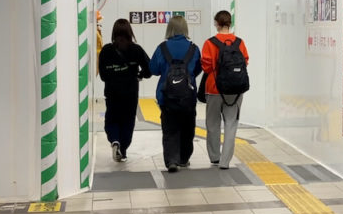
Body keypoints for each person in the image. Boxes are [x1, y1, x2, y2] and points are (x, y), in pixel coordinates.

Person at [150, 16, 202, 172]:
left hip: (167, 96)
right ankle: (184, 159)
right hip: (188, 95)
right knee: (187, 127)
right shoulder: (193, 48)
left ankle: (172, 160)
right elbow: (198, 68)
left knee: (170, 129)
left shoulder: (162, 48)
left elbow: (153, 69)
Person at [201, 10, 250, 169]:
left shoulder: (210, 43)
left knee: (213, 124)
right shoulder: (239, 42)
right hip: (235, 91)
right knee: (231, 124)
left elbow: (206, 66)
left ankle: (215, 157)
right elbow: (245, 62)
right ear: (230, 23)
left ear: (216, 23)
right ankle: (225, 162)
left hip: (214, 89)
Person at [98, 19, 151, 162]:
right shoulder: (136, 49)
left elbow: (103, 75)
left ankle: (115, 140)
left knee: (112, 119)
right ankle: (123, 149)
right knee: (128, 121)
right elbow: (149, 69)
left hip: (112, 92)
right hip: (130, 93)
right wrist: (139, 75)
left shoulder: (106, 50)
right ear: (130, 32)